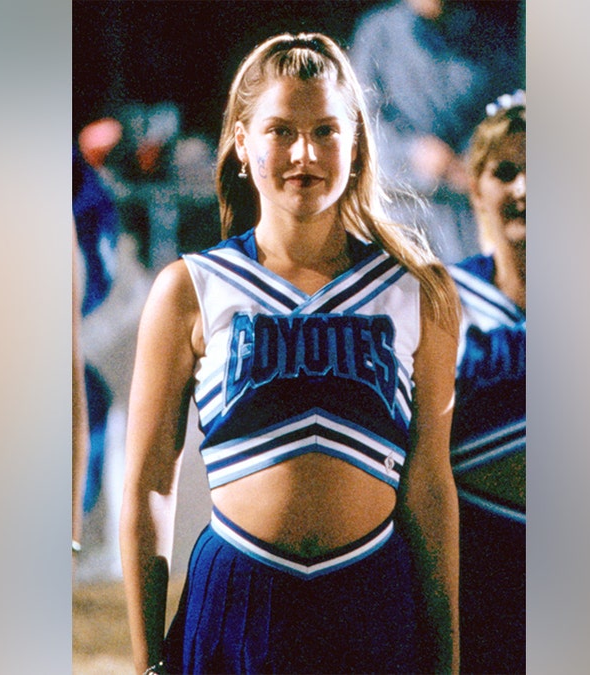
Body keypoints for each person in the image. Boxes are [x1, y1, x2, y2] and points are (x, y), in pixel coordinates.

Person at [121, 32, 461, 674]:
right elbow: (149, 486)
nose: (305, 153)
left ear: (356, 145)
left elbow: (429, 485)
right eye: (281, 130)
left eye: (326, 131)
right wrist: (146, 662)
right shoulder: (191, 288)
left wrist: (446, 659)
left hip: (372, 598)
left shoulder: (418, 289)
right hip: (235, 597)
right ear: (241, 143)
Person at [350, 0, 524, 264]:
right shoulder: (377, 33)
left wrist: (470, 160)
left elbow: (506, 118)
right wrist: (414, 153)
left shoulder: (488, 39)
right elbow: (359, 122)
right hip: (398, 211)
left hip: (465, 218)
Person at [448, 93, 526, 673]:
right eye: (505, 171)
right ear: (475, 187)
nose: (525, 188)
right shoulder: (440, 300)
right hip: (476, 576)